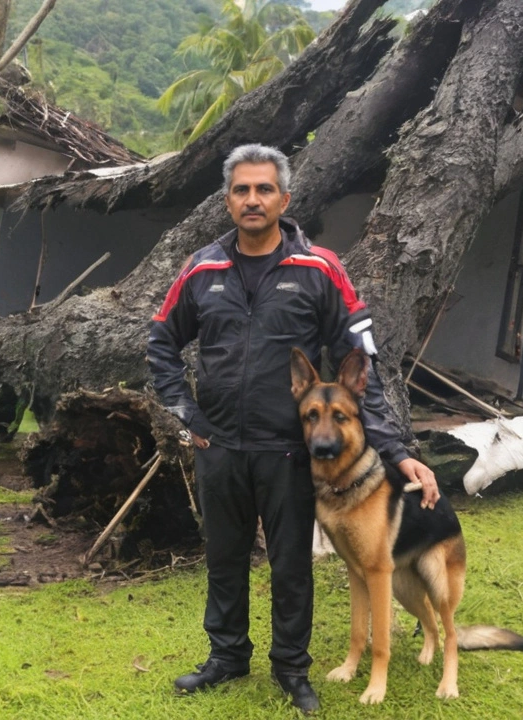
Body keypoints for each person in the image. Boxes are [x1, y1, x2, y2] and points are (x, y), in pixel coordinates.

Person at [146, 144, 440, 714]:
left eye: (263, 189)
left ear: (285, 197)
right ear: (228, 200)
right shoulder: (201, 269)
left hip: (291, 451)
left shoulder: (319, 269)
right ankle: (227, 657)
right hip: (220, 444)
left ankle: (291, 668)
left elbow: (362, 365)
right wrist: (188, 414)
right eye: (241, 190)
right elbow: (162, 341)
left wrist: (395, 447)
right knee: (225, 556)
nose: (252, 199)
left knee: (290, 563)